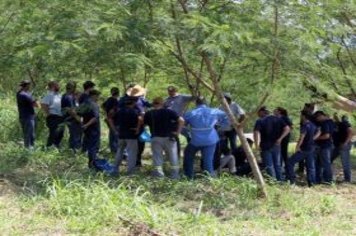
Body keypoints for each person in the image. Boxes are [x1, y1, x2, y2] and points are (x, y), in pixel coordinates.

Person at [183, 96, 228, 178]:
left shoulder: (190, 113)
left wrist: (188, 133)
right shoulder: (214, 111)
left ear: (196, 103)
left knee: (188, 154)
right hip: (211, 139)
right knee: (208, 160)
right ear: (206, 103)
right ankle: (209, 178)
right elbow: (227, 116)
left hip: (196, 140)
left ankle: (189, 175)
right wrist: (220, 126)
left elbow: (183, 124)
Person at [144, 97, 184, 179]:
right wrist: (178, 133)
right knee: (173, 157)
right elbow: (181, 120)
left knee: (157, 157)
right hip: (169, 138)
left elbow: (144, 124)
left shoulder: (149, 113)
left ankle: (159, 175)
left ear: (153, 103)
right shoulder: (169, 112)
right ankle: (175, 175)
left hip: (155, 138)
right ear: (162, 103)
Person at [253, 107, 290, 181]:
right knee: (277, 164)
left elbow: (256, 133)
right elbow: (287, 129)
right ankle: (280, 180)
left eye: (258, 112)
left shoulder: (260, 121)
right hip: (276, 144)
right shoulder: (278, 119)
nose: (257, 114)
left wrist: (256, 145)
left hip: (265, 146)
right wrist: (280, 139)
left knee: (269, 165)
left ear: (262, 112)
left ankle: (273, 181)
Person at [110, 97, 142, 175]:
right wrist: (137, 129)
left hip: (121, 134)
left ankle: (115, 170)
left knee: (119, 151)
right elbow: (140, 119)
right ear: (133, 103)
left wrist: (114, 130)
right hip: (131, 134)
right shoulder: (135, 111)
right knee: (132, 153)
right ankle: (130, 172)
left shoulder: (119, 111)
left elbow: (110, 119)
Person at [286, 111, 319, 186]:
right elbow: (319, 131)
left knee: (290, 162)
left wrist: (297, 147)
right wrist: (313, 139)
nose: (300, 117)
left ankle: (291, 181)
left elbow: (301, 137)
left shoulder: (305, 126)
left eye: (301, 115)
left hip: (304, 149)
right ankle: (312, 183)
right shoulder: (313, 125)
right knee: (310, 166)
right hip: (311, 148)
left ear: (304, 116)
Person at [164, 86, 195, 158]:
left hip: (181, 121)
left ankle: (191, 151)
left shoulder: (182, 97)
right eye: (169, 91)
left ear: (175, 90)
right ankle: (175, 155)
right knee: (174, 137)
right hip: (171, 122)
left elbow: (194, 98)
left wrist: (192, 89)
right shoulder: (167, 99)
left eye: (171, 91)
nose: (170, 93)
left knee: (188, 135)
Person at [314, 111, 335, 184]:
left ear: (320, 116)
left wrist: (316, 138)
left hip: (324, 146)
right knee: (322, 163)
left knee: (325, 163)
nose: (317, 120)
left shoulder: (324, 123)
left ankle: (328, 180)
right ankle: (320, 179)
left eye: (317, 118)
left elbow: (326, 135)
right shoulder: (331, 122)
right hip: (328, 145)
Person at [81, 90, 101, 168]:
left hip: (87, 129)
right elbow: (95, 118)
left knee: (89, 146)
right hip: (93, 128)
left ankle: (91, 163)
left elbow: (79, 114)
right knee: (93, 146)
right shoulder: (94, 105)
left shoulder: (84, 104)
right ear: (94, 95)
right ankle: (92, 164)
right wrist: (86, 125)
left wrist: (83, 124)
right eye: (97, 96)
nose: (98, 98)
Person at [41, 81, 64, 148]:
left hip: (61, 117)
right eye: (57, 85)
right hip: (53, 116)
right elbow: (43, 104)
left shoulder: (59, 95)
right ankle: (49, 147)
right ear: (53, 86)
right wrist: (48, 113)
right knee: (54, 133)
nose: (59, 86)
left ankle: (56, 146)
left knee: (60, 133)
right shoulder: (49, 95)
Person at [16, 80, 38, 149]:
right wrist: (35, 99)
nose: (30, 86)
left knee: (28, 134)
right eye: (29, 85)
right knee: (29, 134)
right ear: (27, 85)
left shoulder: (19, 93)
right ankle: (28, 150)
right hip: (28, 117)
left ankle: (29, 149)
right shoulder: (25, 94)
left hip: (23, 116)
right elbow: (36, 104)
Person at [332, 114, 353, 182]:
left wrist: (345, 143)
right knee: (328, 159)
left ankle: (347, 179)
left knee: (345, 162)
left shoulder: (345, 124)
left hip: (344, 145)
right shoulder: (339, 124)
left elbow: (350, 132)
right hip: (338, 145)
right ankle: (329, 176)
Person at [61, 81, 82, 151]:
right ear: (73, 88)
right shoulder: (68, 97)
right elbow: (70, 110)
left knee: (73, 135)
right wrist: (78, 118)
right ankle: (76, 150)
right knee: (76, 135)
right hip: (72, 119)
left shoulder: (65, 96)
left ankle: (72, 150)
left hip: (69, 118)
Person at [274, 107, 293, 173]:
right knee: (282, 153)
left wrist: (283, 135)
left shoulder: (284, 118)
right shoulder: (280, 118)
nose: (274, 112)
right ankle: (282, 168)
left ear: (279, 111)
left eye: (275, 110)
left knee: (283, 153)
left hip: (284, 138)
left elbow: (290, 127)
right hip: (282, 138)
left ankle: (287, 169)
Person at [78, 81, 96, 152]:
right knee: (88, 135)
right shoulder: (84, 97)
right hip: (87, 118)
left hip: (89, 118)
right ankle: (86, 151)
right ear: (89, 88)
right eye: (92, 88)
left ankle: (85, 150)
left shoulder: (87, 96)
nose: (93, 89)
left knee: (87, 136)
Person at [102, 87, 120, 154]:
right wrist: (110, 114)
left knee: (112, 135)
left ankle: (113, 151)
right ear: (118, 92)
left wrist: (106, 113)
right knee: (115, 135)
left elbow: (103, 106)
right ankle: (115, 152)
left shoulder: (109, 99)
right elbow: (112, 111)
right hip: (114, 120)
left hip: (110, 120)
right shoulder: (114, 100)